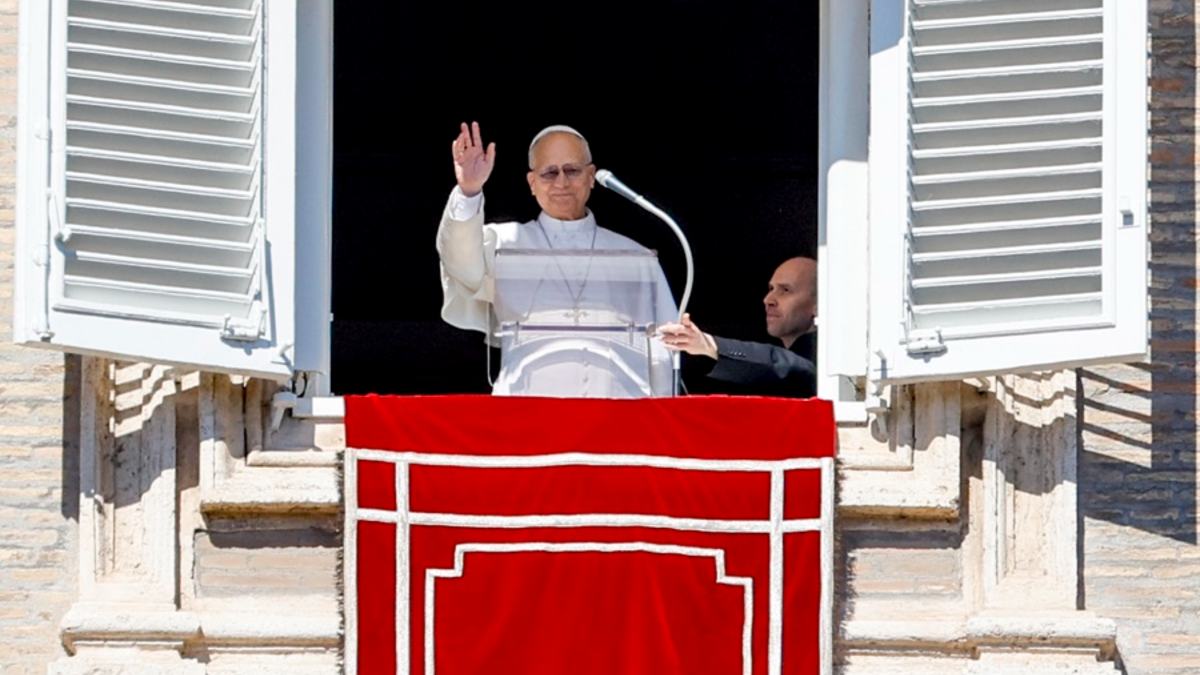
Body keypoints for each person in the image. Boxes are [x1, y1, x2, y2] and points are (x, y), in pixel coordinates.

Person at [437, 121, 677, 397]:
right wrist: (469, 191)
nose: (561, 182)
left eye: (572, 171)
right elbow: (459, 263)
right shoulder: (504, 243)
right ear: (532, 183)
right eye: (549, 173)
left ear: (591, 176)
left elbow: (663, 350)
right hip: (527, 413)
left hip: (619, 418)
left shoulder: (636, 257)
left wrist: (662, 417)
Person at [658, 256, 817, 397]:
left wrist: (709, 344)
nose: (768, 299)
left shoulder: (825, 362)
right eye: (771, 289)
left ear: (819, 305)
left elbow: (790, 365)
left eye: (786, 290)